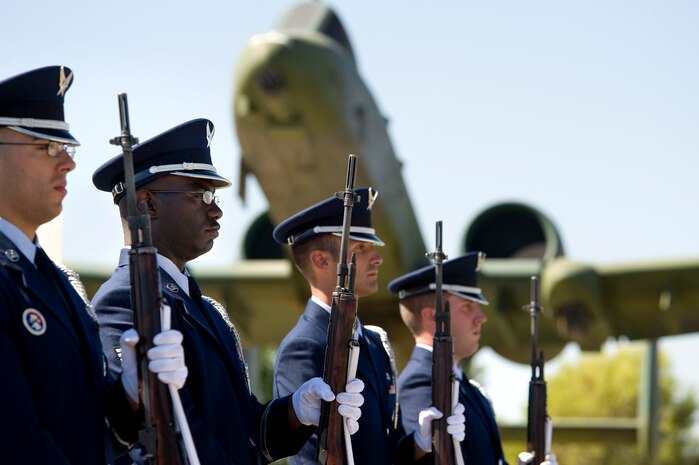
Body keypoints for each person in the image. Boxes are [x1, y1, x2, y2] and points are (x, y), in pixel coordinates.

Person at [92, 118, 364, 465]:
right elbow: (150, 438)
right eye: (200, 194)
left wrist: (297, 411)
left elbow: (246, 432)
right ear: (148, 204)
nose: (216, 209)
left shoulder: (200, 307)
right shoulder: (125, 299)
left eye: (214, 195)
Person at [0, 66, 187, 465]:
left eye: (67, 148)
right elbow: (14, 437)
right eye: (46, 146)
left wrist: (131, 394)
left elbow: (98, 432)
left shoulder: (56, 284)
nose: (67, 163)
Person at [272, 188, 465, 465]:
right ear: (321, 260)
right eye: (360, 248)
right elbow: (311, 457)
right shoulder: (305, 346)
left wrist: (420, 444)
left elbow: (386, 451)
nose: (377, 258)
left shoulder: (372, 343)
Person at [388, 253, 558, 465]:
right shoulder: (420, 384)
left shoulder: (471, 389)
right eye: (467, 306)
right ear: (432, 316)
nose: (482, 317)